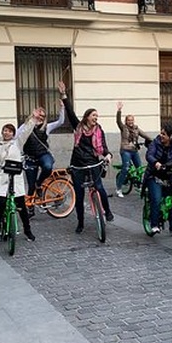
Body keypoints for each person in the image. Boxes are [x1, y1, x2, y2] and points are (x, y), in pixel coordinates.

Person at [60, 80, 114, 234]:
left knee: (100, 188)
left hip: (92, 163)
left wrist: (108, 154)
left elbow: (102, 145)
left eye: (97, 115)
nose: (96, 117)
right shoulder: (78, 126)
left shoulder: (98, 130)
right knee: (79, 194)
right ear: (87, 117)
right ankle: (80, 222)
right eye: (93, 115)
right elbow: (70, 112)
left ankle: (108, 212)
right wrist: (64, 95)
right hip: (77, 164)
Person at [0, 108, 44, 243]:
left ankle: (28, 230)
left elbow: (26, 131)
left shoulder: (17, 144)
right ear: (2, 132)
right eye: (5, 130)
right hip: (2, 179)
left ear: (13, 133)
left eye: (9, 131)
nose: (7, 133)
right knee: (0, 205)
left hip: (16, 178)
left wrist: (33, 119)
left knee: (21, 207)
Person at [23, 101, 65, 199]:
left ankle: (39, 183)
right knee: (31, 186)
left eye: (43, 116)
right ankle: (30, 208)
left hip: (43, 155)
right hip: (30, 158)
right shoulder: (26, 126)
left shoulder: (46, 127)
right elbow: (16, 136)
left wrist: (62, 108)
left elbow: (60, 122)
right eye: (38, 115)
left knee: (47, 166)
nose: (40, 117)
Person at [115, 102, 152, 198]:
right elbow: (118, 121)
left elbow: (144, 134)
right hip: (125, 150)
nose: (130, 122)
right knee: (125, 169)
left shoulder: (136, 128)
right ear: (126, 121)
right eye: (128, 120)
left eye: (132, 120)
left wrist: (154, 140)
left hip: (134, 150)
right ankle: (118, 188)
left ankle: (139, 186)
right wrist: (119, 111)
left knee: (139, 168)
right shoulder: (123, 128)